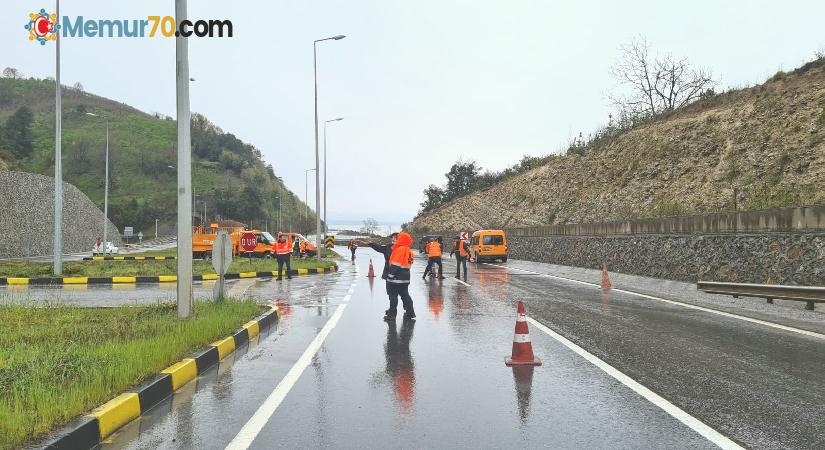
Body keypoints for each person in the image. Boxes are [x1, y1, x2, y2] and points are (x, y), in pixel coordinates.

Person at [362, 233, 398, 309]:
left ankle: (403, 311)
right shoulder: (387, 247)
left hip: (398, 273)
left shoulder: (402, 248)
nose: (394, 239)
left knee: (400, 294)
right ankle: (392, 309)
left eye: (396, 237)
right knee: (390, 293)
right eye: (393, 237)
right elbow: (379, 248)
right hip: (388, 272)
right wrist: (371, 244)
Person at [386, 231, 416, 321]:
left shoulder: (400, 249)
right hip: (406, 276)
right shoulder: (409, 250)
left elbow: (396, 264)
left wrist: (390, 275)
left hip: (396, 277)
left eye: (398, 238)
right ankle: (410, 313)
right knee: (405, 295)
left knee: (393, 295)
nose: (396, 239)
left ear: (402, 239)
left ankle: (391, 315)